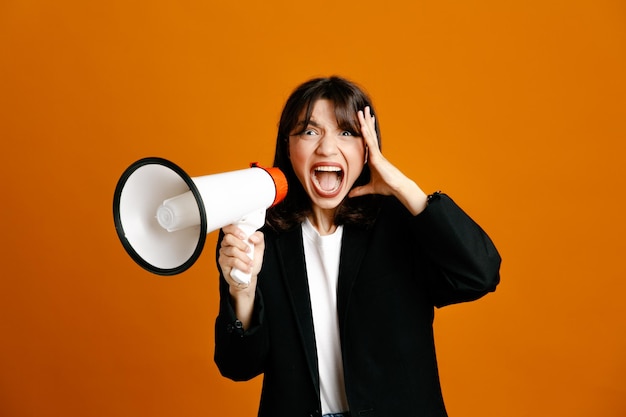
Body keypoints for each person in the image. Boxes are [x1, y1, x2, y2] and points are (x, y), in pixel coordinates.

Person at [214, 76, 501, 417]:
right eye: (309, 131)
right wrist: (241, 290)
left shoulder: (399, 223)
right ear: (288, 147)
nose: (327, 148)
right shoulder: (261, 232)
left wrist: (403, 187)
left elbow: (481, 274)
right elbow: (238, 366)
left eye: (347, 132)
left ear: (367, 149)